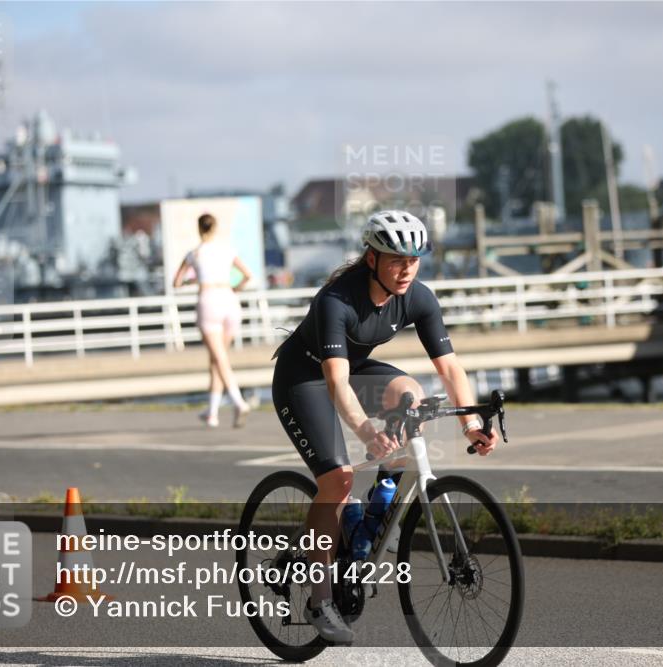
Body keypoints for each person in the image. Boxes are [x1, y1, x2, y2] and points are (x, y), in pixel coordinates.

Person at [270, 210, 499, 642]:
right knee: (337, 480)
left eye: (413, 260)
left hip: (352, 370)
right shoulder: (336, 301)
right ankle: (320, 599)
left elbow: (450, 368)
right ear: (372, 259)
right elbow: (336, 383)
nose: (406, 270)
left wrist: (471, 423)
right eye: (396, 260)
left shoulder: (417, 297)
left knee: (411, 395)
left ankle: (376, 516)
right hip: (305, 380)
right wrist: (366, 432)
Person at [173, 213, 254, 428]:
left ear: (199, 228)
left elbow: (176, 282)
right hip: (229, 299)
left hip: (208, 300)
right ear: (215, 228)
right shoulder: (227, 250)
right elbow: (247, 274)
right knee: (217, 359)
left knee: (219, 359)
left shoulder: (194, 254)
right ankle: (212, 412)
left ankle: (238, 402)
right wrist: (235, 288)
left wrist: (194, 280)